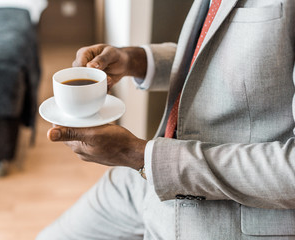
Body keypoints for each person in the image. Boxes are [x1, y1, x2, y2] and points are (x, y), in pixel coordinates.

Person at [37, 0, 295, 239]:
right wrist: (136, 60)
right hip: (146, 179)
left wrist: (136, 155)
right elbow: (215, 54)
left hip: (228, 214)